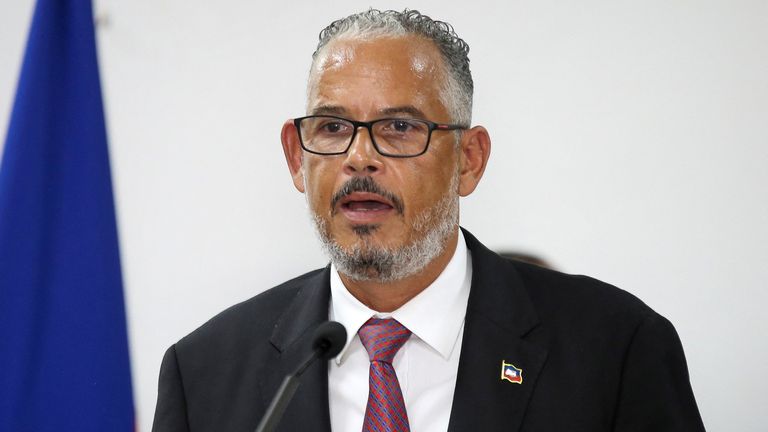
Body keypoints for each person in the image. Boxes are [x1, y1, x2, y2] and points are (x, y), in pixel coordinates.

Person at [152, 9, 705, 432]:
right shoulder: (204, 374)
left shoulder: (615, 349)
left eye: (398, 127)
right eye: (331, 128)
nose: (358, 157)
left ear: (469, 160)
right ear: (297, 158)